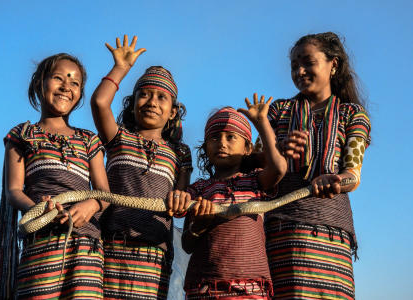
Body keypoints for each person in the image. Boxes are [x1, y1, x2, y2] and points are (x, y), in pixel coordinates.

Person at [254, 32, 371, 299]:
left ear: (334, 65)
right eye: (294, 65)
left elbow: (353, 174)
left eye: (308, 62)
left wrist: (336, 181)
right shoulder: (277, 111)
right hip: (282, 235)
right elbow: (254, 167)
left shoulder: (352, 114)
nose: (299, 71)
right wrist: (277, 151)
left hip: (332, 237)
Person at [0, 53, 110, 299]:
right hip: (41, 243)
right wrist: (39, 210)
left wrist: (91, 204)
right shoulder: (23, 134)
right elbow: (14, 190)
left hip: (87, 247)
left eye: (75, 83)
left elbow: (104, 193)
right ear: (39, 83)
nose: (67, 86)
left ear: (80, 94)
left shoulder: (89, 140)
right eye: (58, 78)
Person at [90, 35, 192, 299]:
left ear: (172, 112)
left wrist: (182, 199)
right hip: (111, 249)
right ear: (132, 103)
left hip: (154, 256)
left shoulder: (179, 153)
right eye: (143, 94)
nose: (151, 102)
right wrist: (121, 68)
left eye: (161, 97)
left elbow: (180, 202)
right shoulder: (118, 137)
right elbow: (100, 103)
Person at [181, 97, 287, 299]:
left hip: (251, 288)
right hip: (203, 289)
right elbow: (187, 245)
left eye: (231, 137)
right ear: (205, 149)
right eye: (214, 138)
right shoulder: (198, 189)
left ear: (247, 148)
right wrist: (199, 227)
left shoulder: (256, 181)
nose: (221, 143)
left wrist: (262, 123)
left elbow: (279, 168)